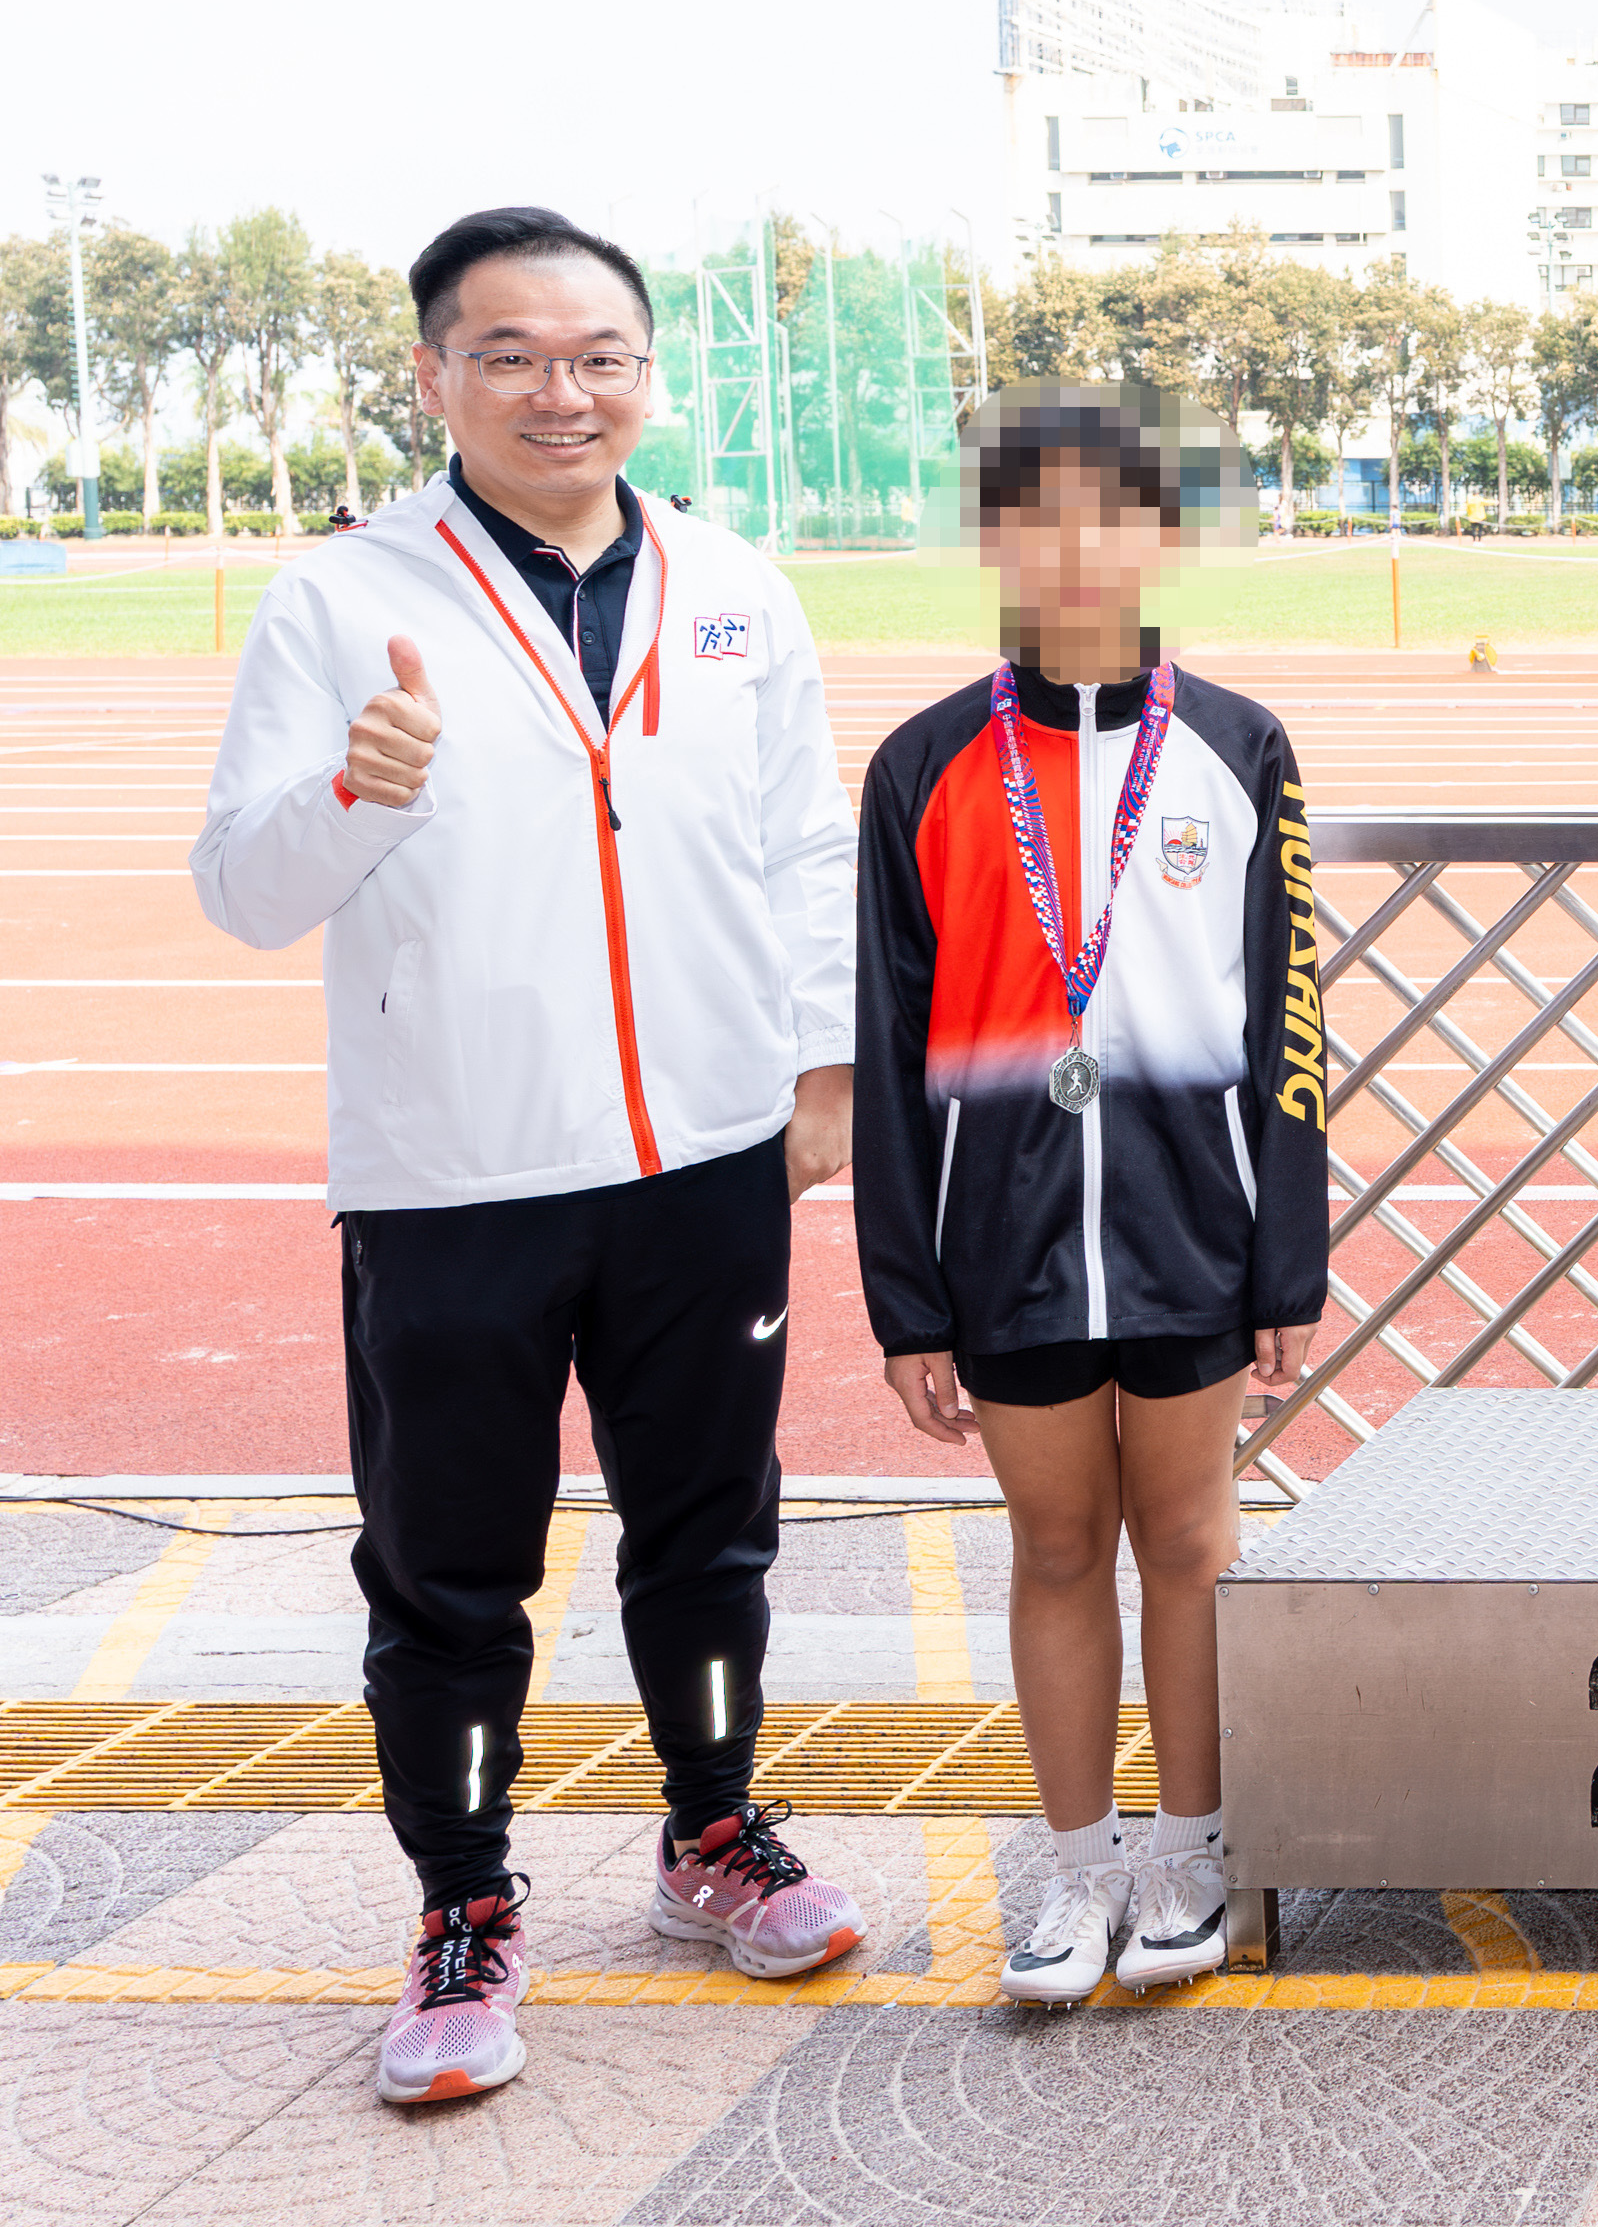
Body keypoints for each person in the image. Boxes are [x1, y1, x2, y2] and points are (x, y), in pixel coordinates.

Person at [190, 207, 867, 2106]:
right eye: (509, 355)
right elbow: (242, 888)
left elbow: (803, 849)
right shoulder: (340, 599)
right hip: (454, 1173)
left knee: (711, 1535)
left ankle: (713, 1829)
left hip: (705, 1161)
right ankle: (462, 1904)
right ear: (436, 375)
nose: (560, 392)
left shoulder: (735, 587)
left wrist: (822, 1071)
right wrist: (355, 791)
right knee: (447, 1570)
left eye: (598, 357)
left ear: (646, 374)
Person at [851, 387, 1324, 2002]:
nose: (1072, 547)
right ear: (990, 540)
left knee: (1188, 1541)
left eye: (1109, 512)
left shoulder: (1239, 747)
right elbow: (889, 1042)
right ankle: (1072, 1874)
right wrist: (906, 1297)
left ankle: (1191, 1851)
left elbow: (1293, 1021)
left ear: (1160, 537)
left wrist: (1289, 1258)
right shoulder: (924, 764)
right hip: (1005, 1241)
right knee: (1055, 1551)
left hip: (1195, 1227)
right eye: (1032, 513)